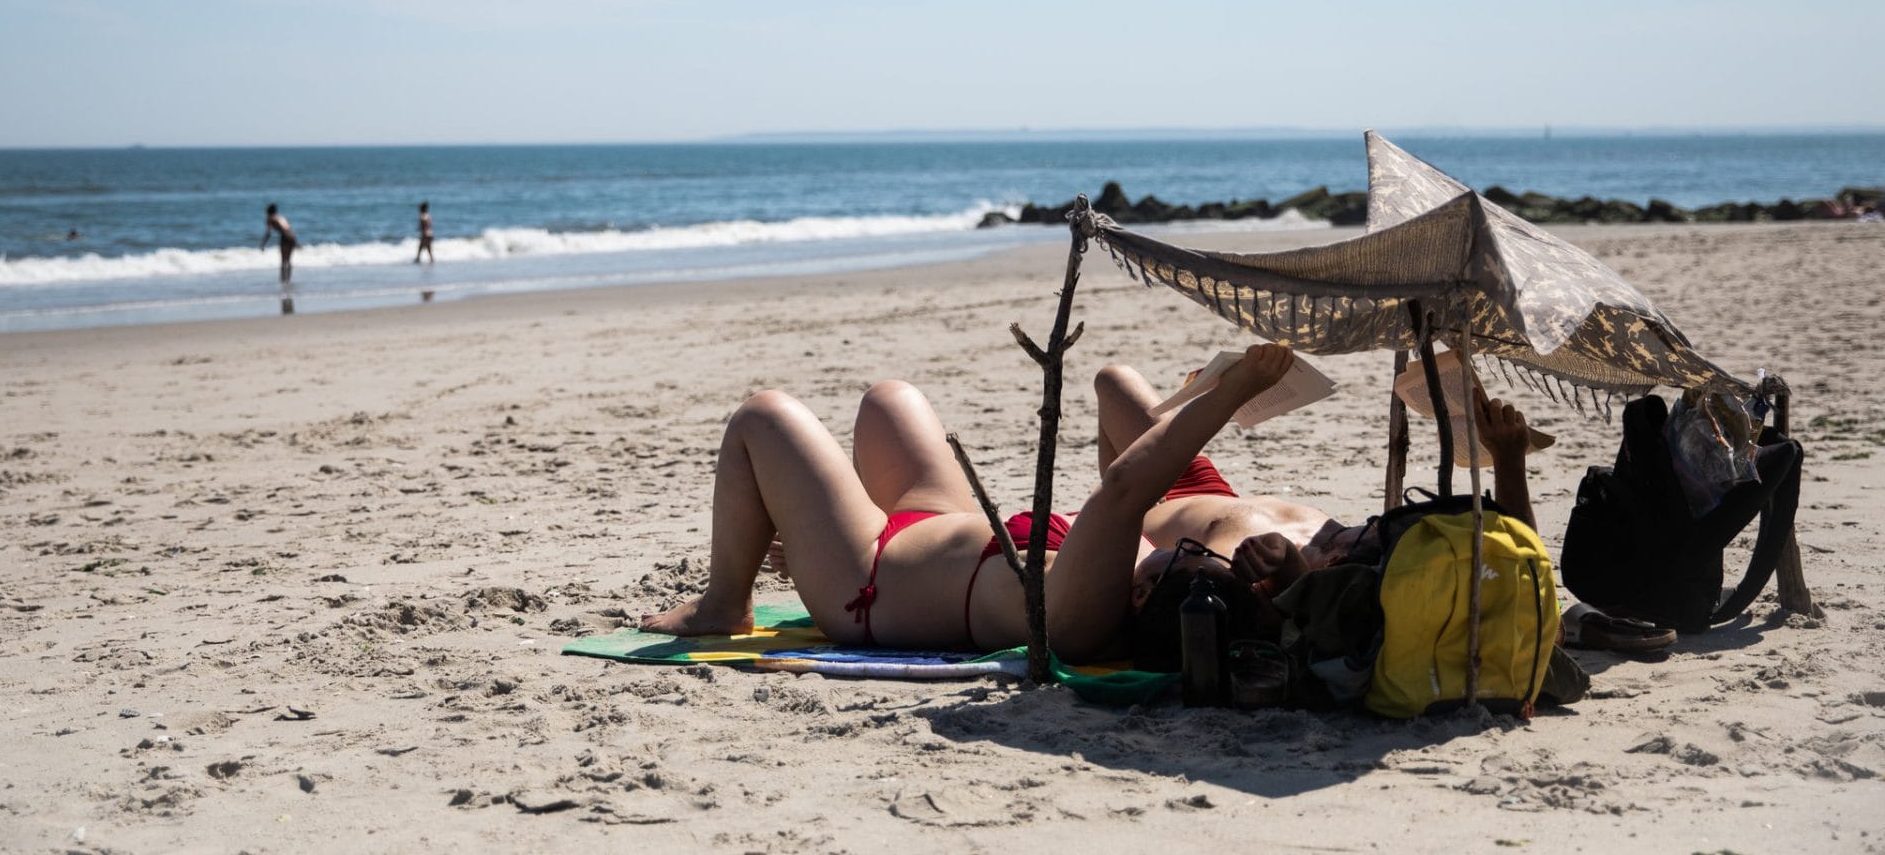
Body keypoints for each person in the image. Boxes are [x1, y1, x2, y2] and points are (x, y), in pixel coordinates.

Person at [641, 345, 1299, 661]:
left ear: (1141, 598)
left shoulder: (1084, 613)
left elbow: (1126, 486)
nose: (1182, 546)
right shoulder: (1131, 585)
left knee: (764, 416)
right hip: (939, 528)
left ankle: (725, 604)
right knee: (889, 399)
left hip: (869, 580)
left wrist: (1229, 395)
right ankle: (812, 537)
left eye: (1182, 558)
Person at [1094, 362, 1538, 663]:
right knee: (1114, 380)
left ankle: (1118, 496)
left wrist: (1287, 569)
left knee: (1114, 389)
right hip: (1208, 490)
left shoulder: (1272, 595)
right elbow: (1519, 559)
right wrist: (1508, 459)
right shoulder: (1371, 553)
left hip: (1139, 523)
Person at [261, 204, 297, 284]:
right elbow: (288, 227)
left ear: (267, 212)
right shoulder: (281, 217)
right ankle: (288, 279)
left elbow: (269, 233)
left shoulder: (270, 218)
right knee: (289, 260)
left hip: (285, 237)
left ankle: (283, 280)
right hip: (293, 236)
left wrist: (263, 244)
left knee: (283, 260)